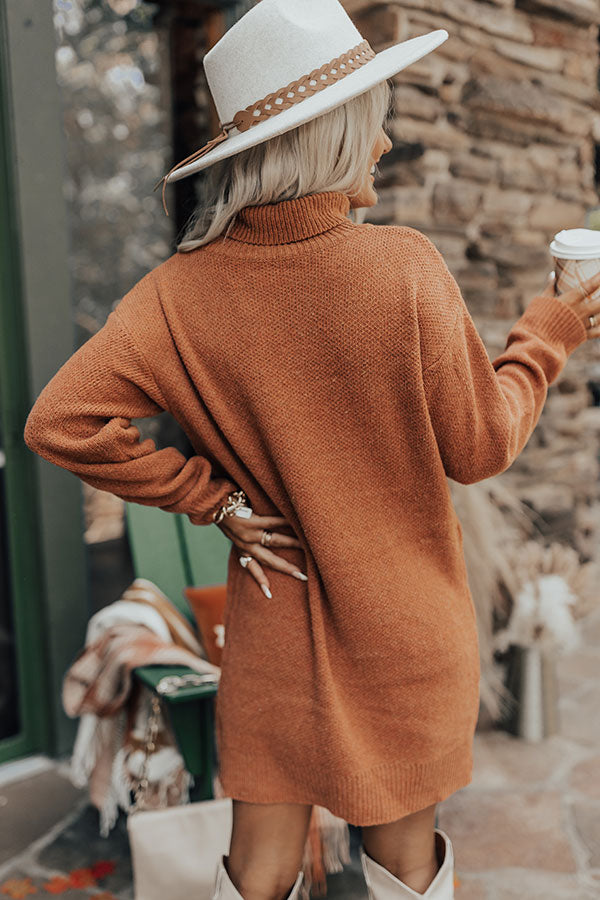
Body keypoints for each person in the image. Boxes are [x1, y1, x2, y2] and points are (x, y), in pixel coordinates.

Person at [23, 1, 600, 899]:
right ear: (334, 134)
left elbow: (59, 420)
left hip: (274, 624)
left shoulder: (178, 296)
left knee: (255, 872)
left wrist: (217, 502)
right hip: (407, 631)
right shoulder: (402, 268)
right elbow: (483, 444)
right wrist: (551, 332)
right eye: (375, 117)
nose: (385, 140)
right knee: (404, 871)